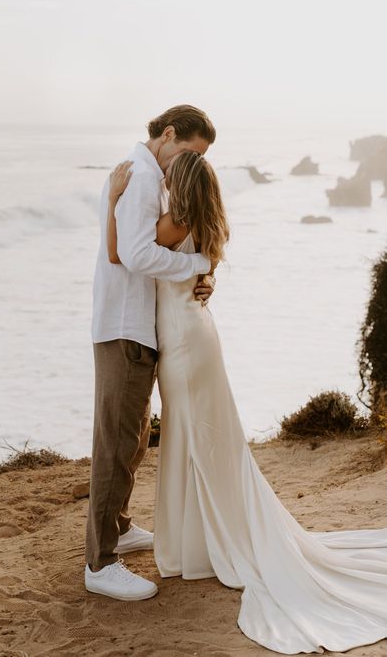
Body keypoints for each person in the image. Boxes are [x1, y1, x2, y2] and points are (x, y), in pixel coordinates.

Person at [106, 151, 387, 654]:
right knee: (201, 441)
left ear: (182, 183)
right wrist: (202, 265)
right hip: (192, 336)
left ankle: (201, 544)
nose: (163, 175)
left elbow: (127, 254)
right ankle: (201, 542)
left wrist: (112, 201)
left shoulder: (176, 222)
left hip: (184, 344)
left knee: (196, 441)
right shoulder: (201, 220)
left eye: (170, 173)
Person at [85, 105, 217, 601]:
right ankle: (100, 562)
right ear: (167, 134)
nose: (191, 164)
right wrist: (200, 263)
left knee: (134, 437)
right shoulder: (140, 177)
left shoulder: (144, 176)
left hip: (139, 325)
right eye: (191, 152)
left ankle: (118, 527)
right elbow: (135, 254)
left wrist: (200, 274)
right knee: (116, 445)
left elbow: (124, 250)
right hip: (125, 325)